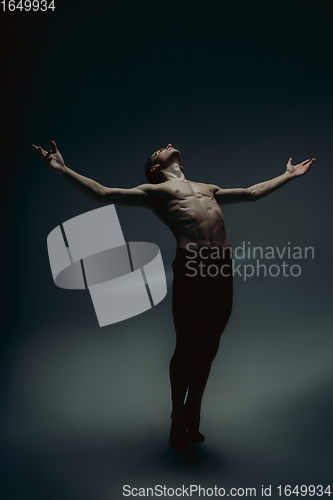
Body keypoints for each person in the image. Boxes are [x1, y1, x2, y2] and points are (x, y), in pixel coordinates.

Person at [33, 141, 315, 450]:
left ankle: (191, 415)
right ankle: (177, 416)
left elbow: (251, 193)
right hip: (192, 267)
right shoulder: (156, 192)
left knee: (209, 346)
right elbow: (103, 193)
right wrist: (63, 170)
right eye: (158, 150)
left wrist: (287, 176)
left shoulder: (206, 187)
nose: (166, 145)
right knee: (187, 345)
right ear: (156, 168)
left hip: (221, 268)